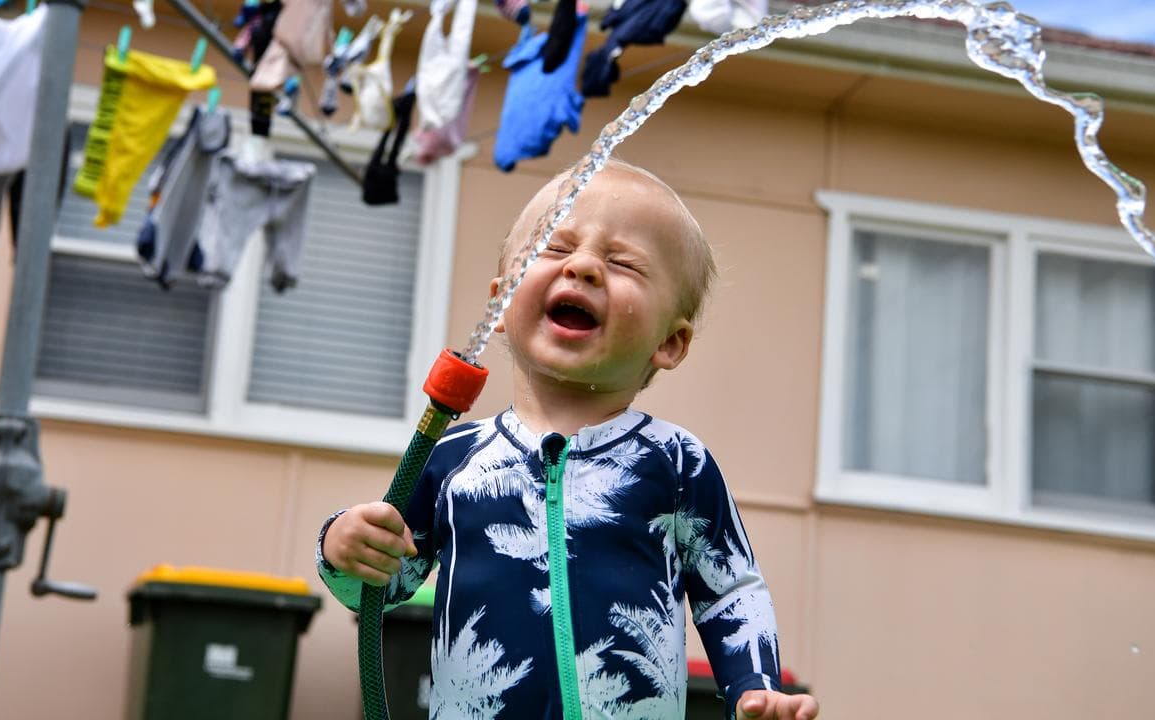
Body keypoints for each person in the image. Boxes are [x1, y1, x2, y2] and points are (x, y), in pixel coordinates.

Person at [317, 159, 820, 720]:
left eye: (623, 262)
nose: (581, 266)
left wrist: (757, 684)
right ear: (502, 302)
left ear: (671, 343)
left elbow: (732, 592)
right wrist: (342, 547)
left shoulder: (676, 464)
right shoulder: (456, 462)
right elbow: (380, 584)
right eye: (554, 249)